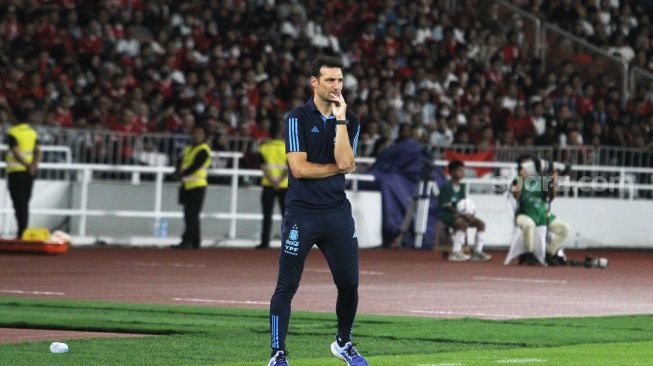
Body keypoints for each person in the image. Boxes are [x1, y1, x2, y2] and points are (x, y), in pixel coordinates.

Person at [267, 55, 367, 366]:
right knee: (286, 286)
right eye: (330, 80)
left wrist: (339, 120)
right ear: (314, 83)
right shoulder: (297, 118)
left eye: (340, 80)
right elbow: (299, 169)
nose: (337, 86)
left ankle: (343, 343)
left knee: (349, 284)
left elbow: (347, 161)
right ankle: (278, 354)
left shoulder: (351, 121)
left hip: (337, 213)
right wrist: (337, 169)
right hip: (302, 213)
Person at [512, 156, 570, 265]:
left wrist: (553, 182)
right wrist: (521, 179)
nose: (530, 168)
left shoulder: (542, 181)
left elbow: (551, 197)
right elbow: (516, 196)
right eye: (527, 166)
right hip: (524, 214)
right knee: (529, 225)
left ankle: (549, 253)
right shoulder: (516, 181)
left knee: (565, 229)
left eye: (531, 166)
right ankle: (528, 254)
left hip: (542, 214)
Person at [437, 160, 492, 262]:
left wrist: (470, 212)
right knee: (462, 224)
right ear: (452, 172)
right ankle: (455, 253)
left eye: (463, 171)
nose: (462, 173)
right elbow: (447, 206)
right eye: (459, 171)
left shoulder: (462, 187)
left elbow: (464, 203)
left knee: (481, 224)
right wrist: (462, 214)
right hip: (447, 214)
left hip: (459, 214)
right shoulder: (447, 186)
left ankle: (477, 252)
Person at [173, 124, 212, 249]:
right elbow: (180, 161)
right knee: (189, 214)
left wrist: (180, 174)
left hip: (197, 185)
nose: (196, 135)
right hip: (186, 185)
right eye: (195, 133)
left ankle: (187, 240)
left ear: (205, 136)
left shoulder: (203, 150)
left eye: (199, 133)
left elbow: (195, 166)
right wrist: (178, 173)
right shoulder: (188, 149)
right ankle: (195, 241)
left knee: (191, 214)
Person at [4, 118, 41, 239]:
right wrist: (34, 165)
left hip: (16, 172)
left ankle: (22, 232)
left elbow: (15, 151)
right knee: (25, 203)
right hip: (30, 173)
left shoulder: (13, 132)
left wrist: (26, 165)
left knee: (19, 203)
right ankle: (23, 230)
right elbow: (39, 151)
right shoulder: (32, 132)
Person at [256, 122, 288, 250]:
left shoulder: (263, 147)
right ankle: (287, 243)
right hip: (284, 186)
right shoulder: (288, 147)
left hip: (268, 185)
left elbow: (263, 167)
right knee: (286, 216)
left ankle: (264, 242)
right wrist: (279, 181)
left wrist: (272, 180)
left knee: (267, 215)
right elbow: (288, 167)